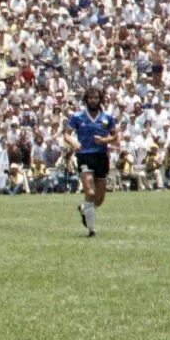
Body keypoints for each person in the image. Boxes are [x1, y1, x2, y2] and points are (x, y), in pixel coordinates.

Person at [65, 86, 119, 237]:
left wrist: (104, 140)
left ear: (100, 99)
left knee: (99, 199)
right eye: (90, 98)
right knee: (89, 191)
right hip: (85, 155)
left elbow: (115, 137)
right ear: (86, 100)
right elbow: (66, 135)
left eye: (96, 98)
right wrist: (73, 142)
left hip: (101, 156)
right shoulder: (78, 117)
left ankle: (84, 209)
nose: (93, 100)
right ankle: (92, 229)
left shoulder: (107, 117)